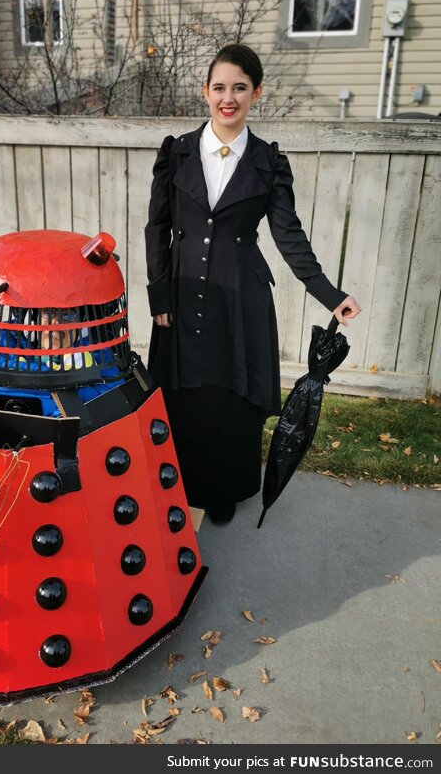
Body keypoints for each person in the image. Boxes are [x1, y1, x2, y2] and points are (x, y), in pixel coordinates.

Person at [144, 44, 361, 525]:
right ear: (205, 92)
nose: (228, 97)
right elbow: (157, 227)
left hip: (241, 296)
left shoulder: (267, 161)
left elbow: (288, 235)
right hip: (179, 291)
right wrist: (158, 292)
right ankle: (175, 486)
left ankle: (222, 489)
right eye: (219, 87)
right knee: (182, 394)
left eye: (239, 88)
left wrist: (330, 294)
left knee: (228, 395)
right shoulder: (176, 152)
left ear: (255, 93)